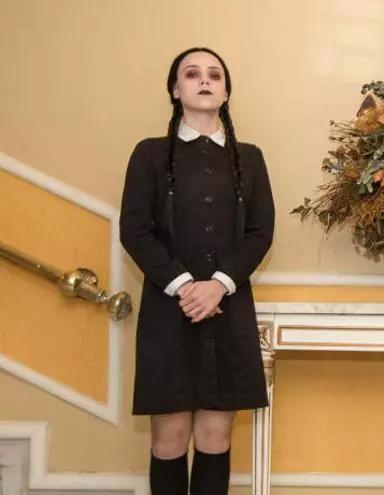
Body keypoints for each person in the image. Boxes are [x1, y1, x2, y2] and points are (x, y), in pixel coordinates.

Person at [120, 47, 275, 494]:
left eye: (214, 75)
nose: (204, 80)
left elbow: (261, 232)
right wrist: (186, 287)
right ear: (175, 90)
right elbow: (135, 230)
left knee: (215, 437)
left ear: (225, 92)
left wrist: (219, 286)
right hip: (168, 313)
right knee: (169, 440)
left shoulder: (251, 158)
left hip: (228, 311)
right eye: (192, 74)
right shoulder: (149, 154)